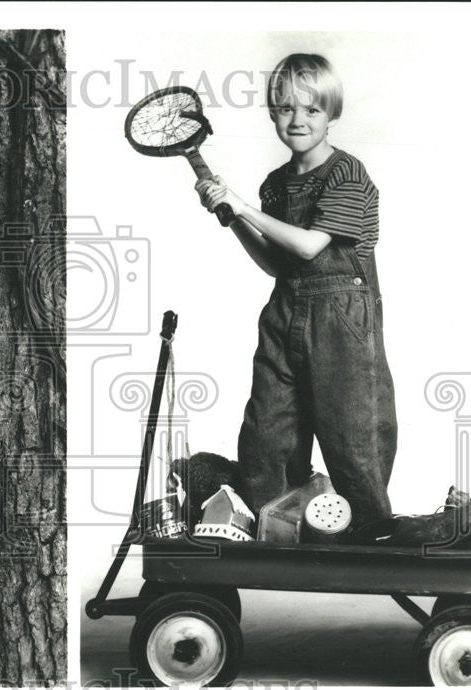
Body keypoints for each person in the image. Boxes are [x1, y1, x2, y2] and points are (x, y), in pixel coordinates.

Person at [195, 53, 397, 530]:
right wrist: (233, 217)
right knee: (267, 434)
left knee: (351, 433)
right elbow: (275, 262)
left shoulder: (347, 174)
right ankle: (275, 529)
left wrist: (242, 205)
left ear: (332, 114)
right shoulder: (274, 187)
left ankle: (370, 532)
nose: (298, 120)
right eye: (286, 109)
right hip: (285, 312)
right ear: (272, 113)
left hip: (340, 318)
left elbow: (309, 247)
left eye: (311, 109)